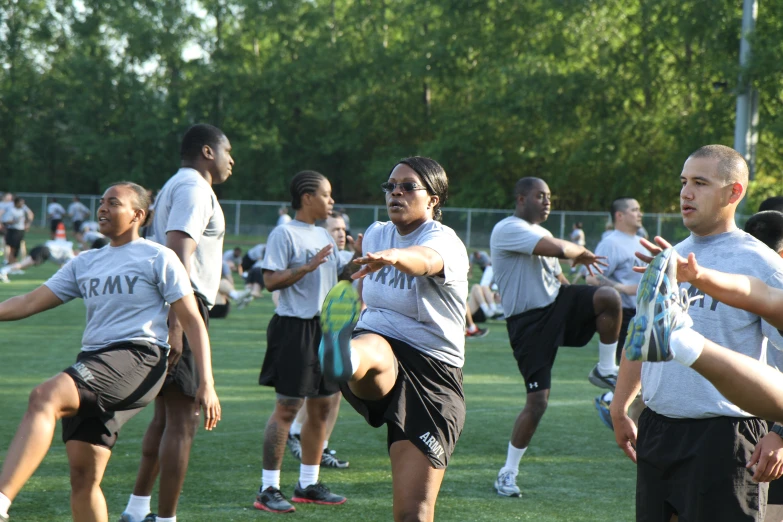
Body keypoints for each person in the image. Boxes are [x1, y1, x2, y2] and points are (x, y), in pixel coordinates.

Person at [0, 182, 220, 522]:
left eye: (113, 203)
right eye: (101, 202)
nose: (102, 208)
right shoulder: (85, 262)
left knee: (45, 396)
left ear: (138, 215)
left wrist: (207, 382)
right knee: (84, 478)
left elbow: (192, 321)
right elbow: (28, 302)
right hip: (93, 362)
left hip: (138, 357)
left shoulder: (159, 256)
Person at [611, 144, 783, 522]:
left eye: (700, 183)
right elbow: (642, 338)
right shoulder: (666, 255)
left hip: (727, 436)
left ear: (733, 192)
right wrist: (620, 405)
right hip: (658, 428)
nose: (686, 193)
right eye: (684, 182)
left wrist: (780, 434)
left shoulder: (763, 264)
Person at [317, 156, 469, 522]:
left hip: (433, 373)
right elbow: (364, 264)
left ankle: (345, 358)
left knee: (413, 512)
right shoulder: (376, 232)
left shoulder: (444, 240)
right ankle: (341, 356)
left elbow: (426, 260)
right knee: (373, 346)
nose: (395, 192)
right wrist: (364, 260)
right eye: (390, 186)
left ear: (433, 198)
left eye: (407, 186)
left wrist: (398, 257)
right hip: (379, 348)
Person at [120, 123, 234, 522]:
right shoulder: (193, 189)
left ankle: (137, 510)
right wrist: (176, 324)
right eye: (227, 151)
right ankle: (165, 518)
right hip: (181, 305)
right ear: (207, 152)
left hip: (172, 304)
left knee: (167, 417)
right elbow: (178, 253)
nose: (231, 160)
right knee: (183, 419)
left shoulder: (178, 184)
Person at [489, 177, 622, 497]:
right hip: (528, 323)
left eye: (550, 196)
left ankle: (606, 369)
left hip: (555, 304)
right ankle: (507, 472)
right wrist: (581, 252)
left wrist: (584, 283)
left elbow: (557, 273)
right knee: (537, 403)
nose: (547, 202)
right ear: (521, 199)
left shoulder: (541, 231)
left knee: (608, 298)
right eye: (540, 196)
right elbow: (562, 249)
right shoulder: (508, 228)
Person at [254, 170, 348, 514]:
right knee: (288, 408)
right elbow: (270, 280)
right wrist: (306, 267)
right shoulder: (284, 233)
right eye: (326, 194)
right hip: (295, 329)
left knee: (323, 407)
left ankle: (308, 483)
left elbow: (338, 275)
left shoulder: (323, 233)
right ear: (307, 198)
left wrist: (364, 261)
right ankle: (268, 489)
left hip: (326, 330)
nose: (331, 201)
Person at [286, 211, 354, 470]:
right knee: (314, 391)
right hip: (314, 329)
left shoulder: (346, 259)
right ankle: (298, 434)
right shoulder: (318, 259)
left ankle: (318, 444)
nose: (341, 233)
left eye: (342, 229)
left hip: (338, 332)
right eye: (334, 228)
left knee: (334, 393)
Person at [586, 197, 645, 430]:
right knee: (635, 376)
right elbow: (591, 276)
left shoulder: (641, 241)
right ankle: (614, 408)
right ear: (619, 215)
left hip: (643, 312)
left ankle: (613, 404)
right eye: (634, 210)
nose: (640, 214)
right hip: (625, 314)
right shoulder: (610, 242)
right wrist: (619, 288)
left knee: (646, 377)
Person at [0, 225, 76, 283]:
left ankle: (5, 271)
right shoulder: (69, 252)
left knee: (24, 266)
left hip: (41, 248)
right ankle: (3, 271)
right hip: (43, 251)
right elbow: (67, 266)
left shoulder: (64, 247)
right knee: (22, 265)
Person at [1, 198, 34, 265]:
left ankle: (14, 263)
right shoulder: (12, 210)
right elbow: (7, 221)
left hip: (20, 230)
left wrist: (27, 224)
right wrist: (15, 221)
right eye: (20, 203)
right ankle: (11, 263)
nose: (22, 205)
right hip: (13, 230)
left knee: (17, 247)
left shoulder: (22, 210)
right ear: (16, 203)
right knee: (12, 248)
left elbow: (29, 216)